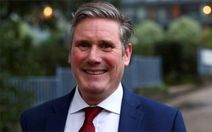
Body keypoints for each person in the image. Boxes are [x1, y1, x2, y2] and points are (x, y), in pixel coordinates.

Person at [20, 1, 186, 132]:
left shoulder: (165, 123)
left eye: (106, 45)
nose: (93, 57)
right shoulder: (35, 121)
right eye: (83, 45)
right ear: (70, 53)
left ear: (126, 54)